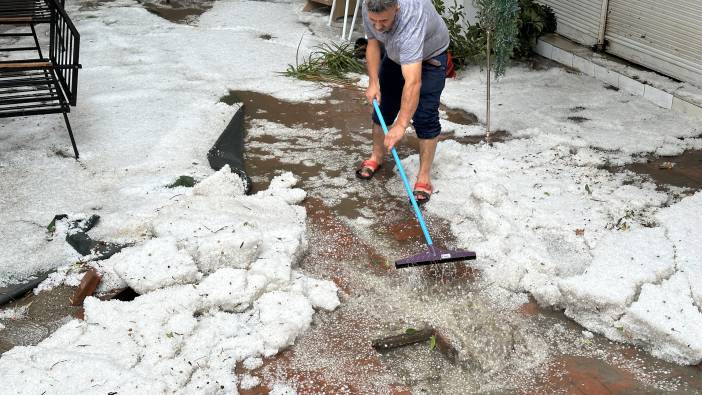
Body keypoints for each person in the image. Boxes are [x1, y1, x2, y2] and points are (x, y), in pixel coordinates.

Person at [355, 0, 450, 205]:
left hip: (429, 58)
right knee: (383, 107)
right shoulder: (368, 5)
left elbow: (413, 82)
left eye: (384, 20)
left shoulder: (411, 19)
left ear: (396, 8)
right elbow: (372, 43)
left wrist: (401, 126)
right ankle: (377, 156)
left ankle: (423, 177)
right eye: (374, 20)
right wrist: (373, 82)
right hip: (396, 55)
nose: (378, 26)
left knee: (425, 117)